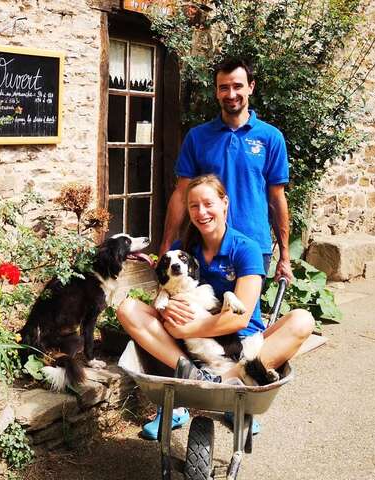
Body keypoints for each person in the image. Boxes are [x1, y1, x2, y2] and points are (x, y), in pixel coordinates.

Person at [118, 174, 314, 440]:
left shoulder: (245, 249)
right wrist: (163, 309)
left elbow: (239, 320)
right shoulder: (182, 249)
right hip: (189, 352)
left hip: (241, 344)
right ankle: (189, 382)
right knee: (128, 308)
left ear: (225, 203)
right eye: (194, 206)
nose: (202, 212)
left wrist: (186, 330)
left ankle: (232, 385)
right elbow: (164, 292)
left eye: (208, 203)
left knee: (302, 320)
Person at [159, 57, 292, 283]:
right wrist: (166, 244)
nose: (231, 94)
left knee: (241, 315)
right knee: (196, 312)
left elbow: (277, 198)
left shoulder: (271, 138)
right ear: (216, 92)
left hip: (253, 246)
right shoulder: (197, 137)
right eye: (224, 88)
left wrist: (285, 256)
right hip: (203, 246)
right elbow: (181, 194)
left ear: (251, 87)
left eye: (237, 86)